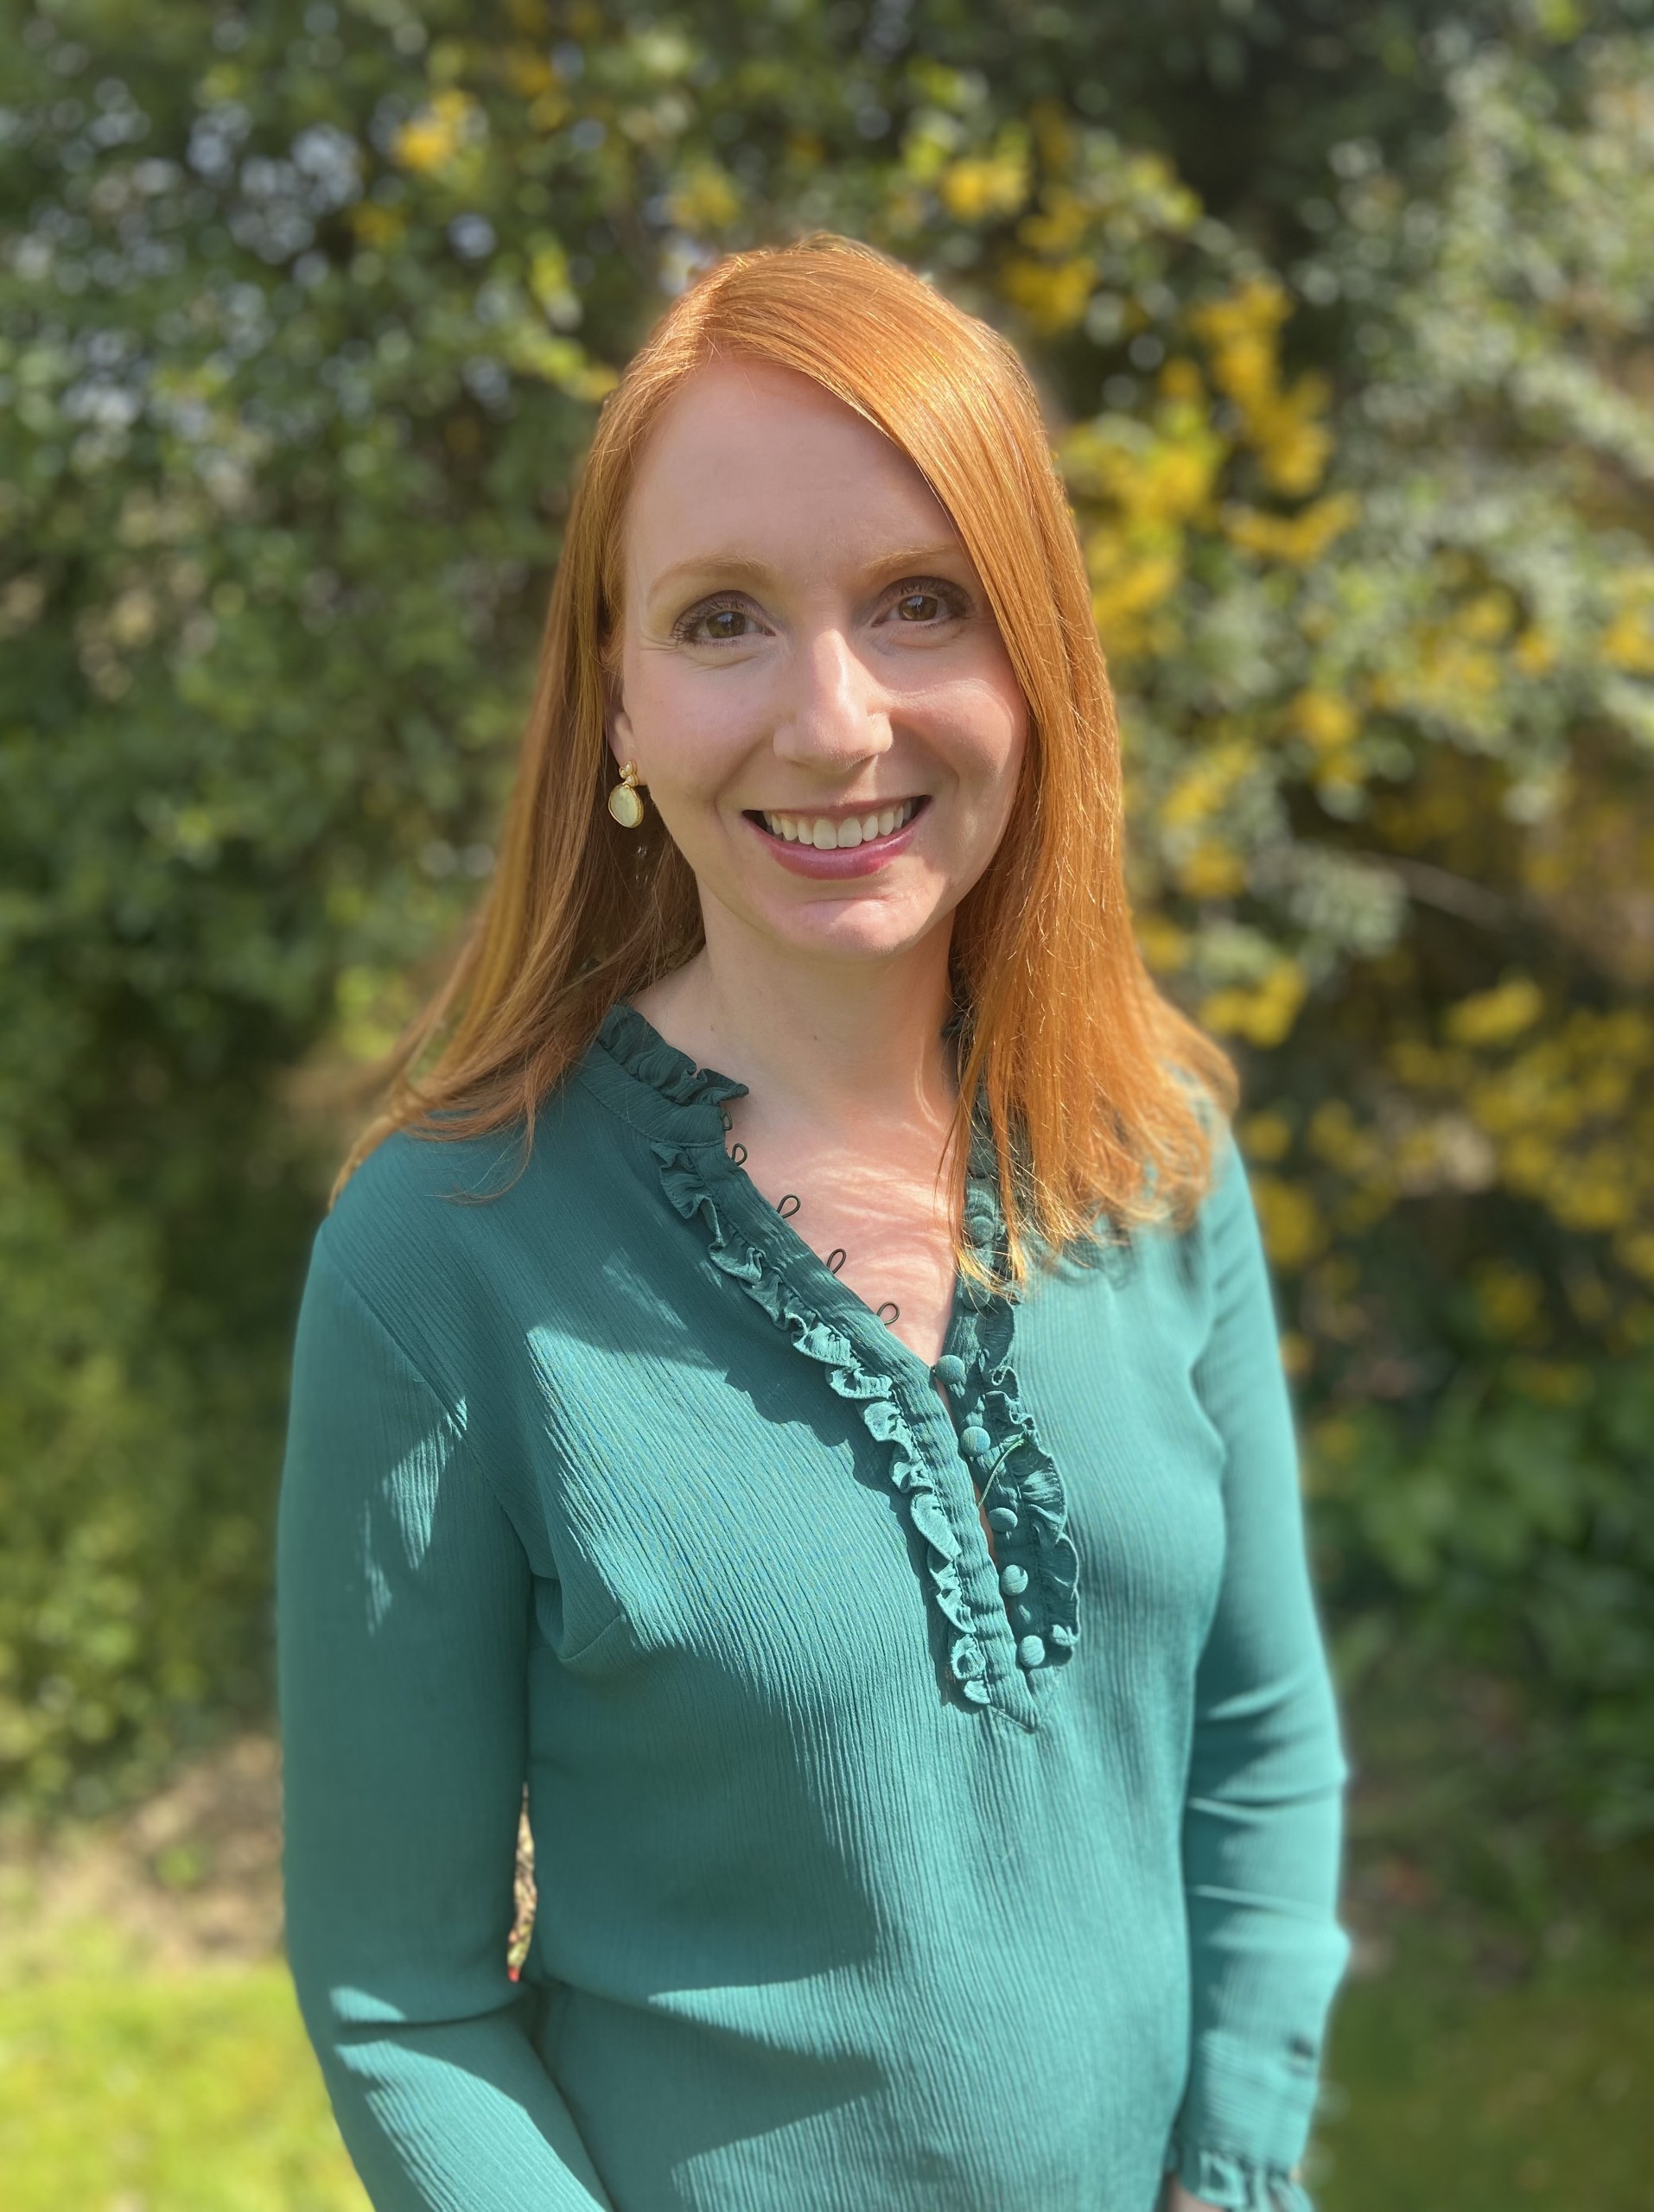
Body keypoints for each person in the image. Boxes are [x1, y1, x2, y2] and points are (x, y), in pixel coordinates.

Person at [277, 232, 1349, 2212]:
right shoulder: (442, 1255)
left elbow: (1260, 1744)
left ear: (1035, 658)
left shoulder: (1159, 1149)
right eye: (723, 621)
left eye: (920, 602)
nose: (836, 721)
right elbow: (397, 1993)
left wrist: (1235, 2164)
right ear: (614, 697)